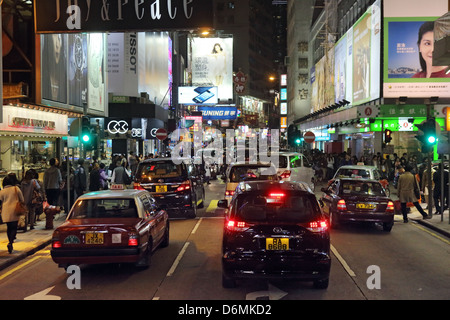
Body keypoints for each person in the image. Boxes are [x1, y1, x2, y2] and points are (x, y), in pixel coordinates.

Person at [0, 174, 25, 253]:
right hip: (15, 210)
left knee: (9, 227)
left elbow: (0, 201)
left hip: (5, 211)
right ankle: (10, 242)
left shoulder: (2, 191)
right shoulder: (16, 188)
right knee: (14, 227)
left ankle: (10, 241)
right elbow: (22, 199)